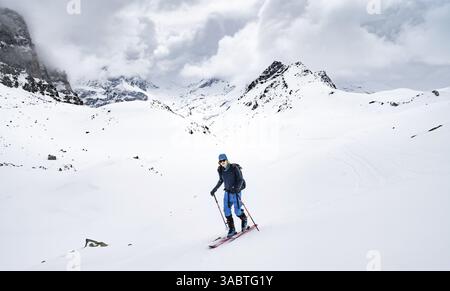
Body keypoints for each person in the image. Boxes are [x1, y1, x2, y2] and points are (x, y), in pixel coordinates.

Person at [210, 154, 249, 238]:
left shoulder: (234, 168)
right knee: (226, 210)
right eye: (220, 161)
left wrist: (237, 188)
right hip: (227, 192)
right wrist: (215, 189)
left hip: (236, 192)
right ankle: (232, 229)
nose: (222, 162)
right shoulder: (220, 169)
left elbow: (240, 179)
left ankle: (244, 219)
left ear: (227, 160)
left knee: (237, 211)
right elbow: (221, 180)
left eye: (223, 160)